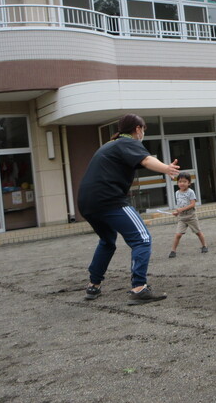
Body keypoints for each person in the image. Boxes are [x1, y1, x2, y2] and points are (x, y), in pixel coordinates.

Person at [78, 114, 180, 305]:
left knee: (107, 241)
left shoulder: (110, 145)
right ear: (138, 129)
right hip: (109, 199)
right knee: (142, 239)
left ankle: (93, 285)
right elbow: (146, 160)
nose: (143, 133)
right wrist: (167, 168)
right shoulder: (128, 142)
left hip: (86, 203)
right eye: (143, 129)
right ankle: (139, 288)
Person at [169, 172, 208, 257]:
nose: (182, 183)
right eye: (180, 181)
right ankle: (173, 251)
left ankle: (204, 245)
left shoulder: (191, 192)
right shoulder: (177, 193)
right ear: (177, 183)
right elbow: (180, 205)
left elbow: (192, 204)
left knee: (198, 232)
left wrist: (180, 210)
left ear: (189, 183)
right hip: (182, 218)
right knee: (178, 234)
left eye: (184, 181)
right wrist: (177, 212)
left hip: (191, 216)